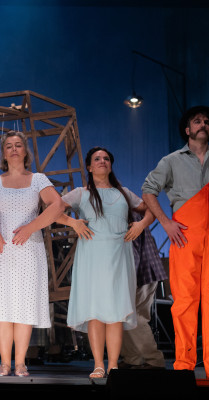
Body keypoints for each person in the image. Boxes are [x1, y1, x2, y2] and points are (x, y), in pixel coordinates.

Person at [0, 130, 65, 377]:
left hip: (29, 250)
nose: (14, 149)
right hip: (1, 249)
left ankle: (21, 362)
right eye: (9, 146)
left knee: (24, 307)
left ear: (25, 151)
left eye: (18, 145)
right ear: (4, 153)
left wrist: (31, 227)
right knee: (3, 307)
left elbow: (57, 205)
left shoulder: (38, 179)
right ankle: (4, 363)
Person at [57, 146, 154, 379]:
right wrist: (73, 223)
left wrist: (140, 224)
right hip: (92, 256)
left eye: (106, 158)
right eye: (97, 159)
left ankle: (114, 365)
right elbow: (53, 210)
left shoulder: (124, 193)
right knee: (95, 311)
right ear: (89, 167)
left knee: (116, 311)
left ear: (111, 164)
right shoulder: (81, 193)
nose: (102, 161)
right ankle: (98, 364)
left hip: (119, 256)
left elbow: (150, 210)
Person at [141, 105, 209, 377]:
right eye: (197, 121)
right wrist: (166, 223)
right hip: (185, 234)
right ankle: (184, 366)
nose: (203, 124)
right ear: (187, 130)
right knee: (184, 302)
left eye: (206, 121)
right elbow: (148, 190)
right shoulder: (171, 161)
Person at [119, 211, 167, 370]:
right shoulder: (128, 214)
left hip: (142, 274)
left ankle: (154, 360)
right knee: (126, 316)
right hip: (145, 272)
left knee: (135, 316)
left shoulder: (126, 217)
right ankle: (133, 358)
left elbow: (132, 252)